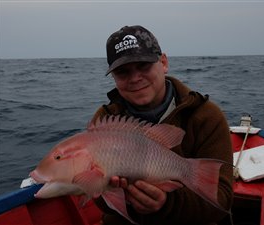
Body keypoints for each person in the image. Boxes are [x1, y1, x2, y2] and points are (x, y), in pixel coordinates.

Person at [90, 25, 233, 225]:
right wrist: (115, 193)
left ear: (163, 62)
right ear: (114, 77)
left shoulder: (206, 116)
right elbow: (99, 200)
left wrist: (167, 203)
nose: (135, 78)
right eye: (123, 72)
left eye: (144, 66)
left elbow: (221, 200)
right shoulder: (104, 120)